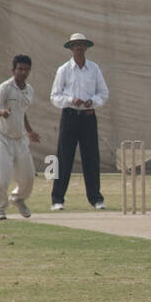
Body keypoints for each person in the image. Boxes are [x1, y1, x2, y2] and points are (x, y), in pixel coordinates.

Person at [49, 32, 110, 211]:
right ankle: (57, 199)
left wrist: (94, 101)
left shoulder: (94, 68)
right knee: (64, 158)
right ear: (71, 48)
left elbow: (103, 93)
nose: (79, 48)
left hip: (88, 116)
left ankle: (96, 199)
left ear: (86, 47)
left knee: (91, 158)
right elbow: (55, 96)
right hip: (70, 116)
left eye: (82, 45)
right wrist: (70, 100)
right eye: (76, 45)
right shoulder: (64, 70)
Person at [0, 55, 40, 219]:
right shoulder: (5, 87)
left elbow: (22, 113)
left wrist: (30, 131)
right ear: (13, 70)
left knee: (29, 178)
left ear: (29, 70)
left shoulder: (29, 90)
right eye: (20, 69)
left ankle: (18, 199)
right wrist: (3, 113)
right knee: (2, 177)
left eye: (26, 69)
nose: (23, 72)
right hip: (1, 137)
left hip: (20, 139)